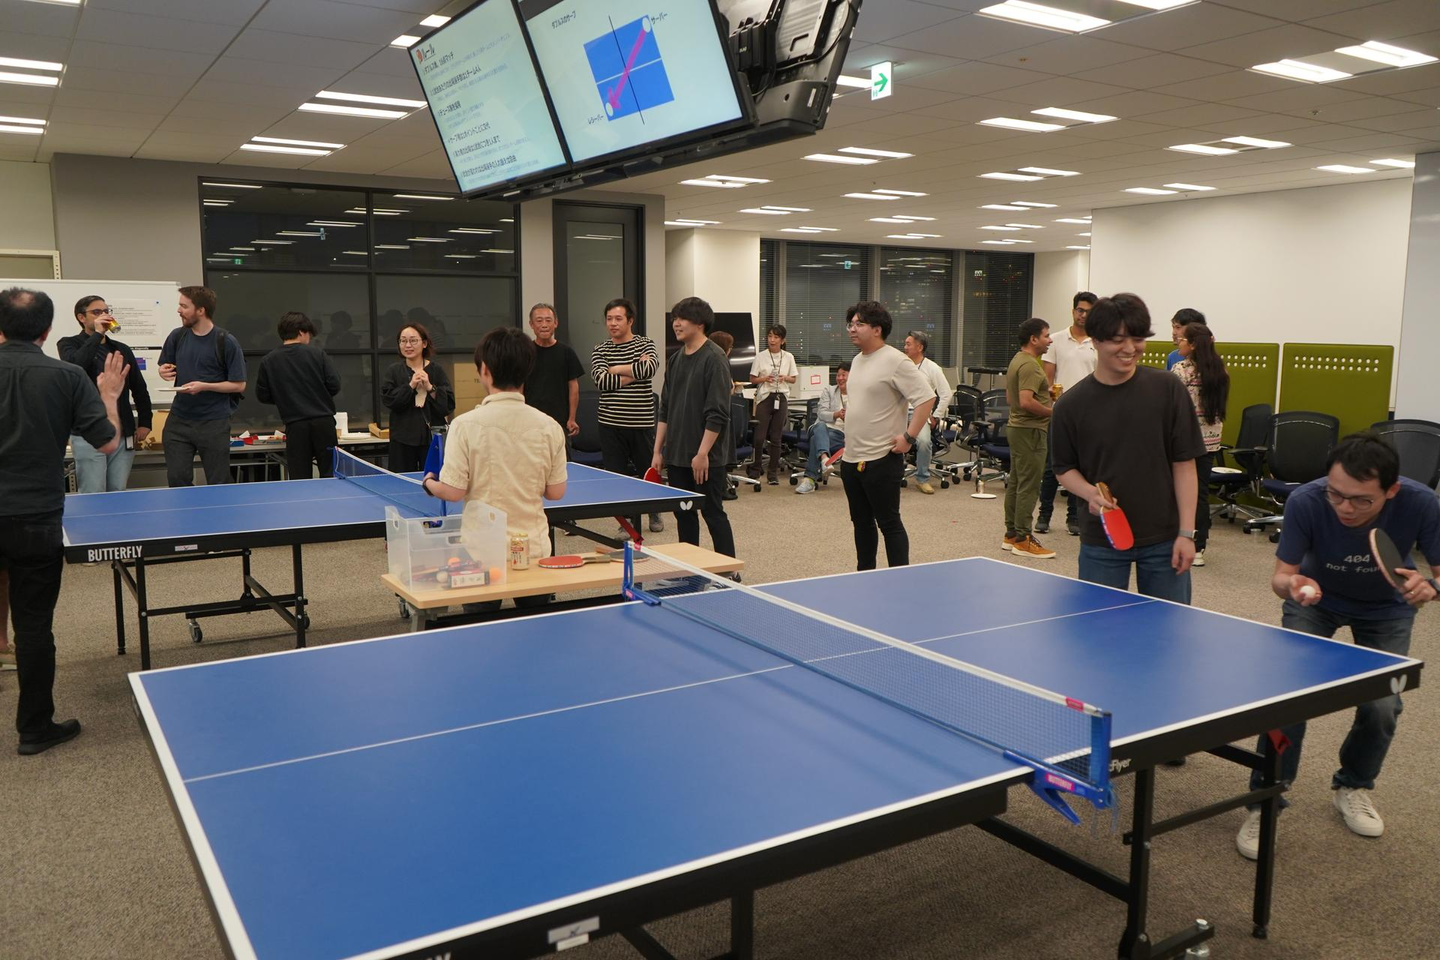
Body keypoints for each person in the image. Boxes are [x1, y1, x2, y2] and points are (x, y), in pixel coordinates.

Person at [1234, 432, 1440, 861]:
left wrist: (1431, 587)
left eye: (1362, 500)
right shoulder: (1307, 501)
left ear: (1391, 490)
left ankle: (1354, 785)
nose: (1345, 508)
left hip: (1386, 609)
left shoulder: (1421, 503)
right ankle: (1266, 798)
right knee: (1287, 699)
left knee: (1383, 706)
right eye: (1337, 495)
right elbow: (1280, 577)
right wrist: (1293, 584)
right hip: (1317, 602)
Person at [1, 287, 128, 755]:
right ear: (48, 329)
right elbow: (108, 442)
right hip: (35, 517)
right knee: (34, 626)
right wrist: (109, 396)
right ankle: (34, 728)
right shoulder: (68, 375)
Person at [1050, 293, 1206, 602]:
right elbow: (1064, 468)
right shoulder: (1070, 405)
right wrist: (1090, 493)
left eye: (1137, 338)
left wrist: (1187, 534)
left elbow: (1184, 465)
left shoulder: (1168, 389)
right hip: (1102, 539)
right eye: (1118, 340)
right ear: (1095, 340)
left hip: (1165, 538)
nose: (1130, 348)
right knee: (1100, 627)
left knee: (1168, 626)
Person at [422, 327, 567, 614]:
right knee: (537, 627)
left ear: (485, 370)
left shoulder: (464, 425)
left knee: (481, 628)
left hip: (481, 553)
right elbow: (556, 492)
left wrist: (428, 483)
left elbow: (453, 491)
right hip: (534, 548)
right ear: (527, 370)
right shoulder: (550, 425)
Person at [840, 301, 936, 570]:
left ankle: (899, 580)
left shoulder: (896, 360)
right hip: (852, 458)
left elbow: (926, 398)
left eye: (859, 324)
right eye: (850, 324)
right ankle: (865, 575)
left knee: (889, 523)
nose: (852, 329)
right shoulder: (857, 360)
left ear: (877, 329)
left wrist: (909, 437)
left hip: (882, 458)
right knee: (861, 523)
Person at [652, 297, 736, 559]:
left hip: (706, 457)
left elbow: (717, 413)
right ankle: (689, 569)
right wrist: (658, 451)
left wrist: (702, 454)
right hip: (677, 454)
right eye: (674, 319)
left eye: (682, 318)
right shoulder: (675, 359)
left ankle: (728, 571)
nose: (676, 324)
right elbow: (665, 408)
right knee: (684, 514)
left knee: (712, 513)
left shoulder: (715, 358)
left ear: (700, 323)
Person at [57, 295, 153, 492]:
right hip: (87, 432)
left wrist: (145, 422)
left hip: (122, 432)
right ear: (81, 317)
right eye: (96, 312)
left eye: (106, 311)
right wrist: (97, 335)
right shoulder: (68, 344)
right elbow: (77, 366)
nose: (104, 316)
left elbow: (139, 387)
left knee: (118, 489)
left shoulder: (121, 349)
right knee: (93, 490)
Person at [158, 286, 246, 487]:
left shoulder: (226, 341)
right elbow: (166, 366)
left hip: (213, 422)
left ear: (201, 310)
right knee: (177, 479)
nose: (179, 310)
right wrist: (163, 371)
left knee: (218, 481)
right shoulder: (177, 336)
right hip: (179, 420)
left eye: (184, 306)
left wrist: (204, 386)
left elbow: (239, 385)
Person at [590, 297, 663, 535]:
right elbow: (601, 381)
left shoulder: (645, 344)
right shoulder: (600, 349)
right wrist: (634, 371)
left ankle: (653, 509)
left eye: (618, 318)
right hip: (610, 423)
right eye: (609, 319)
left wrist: (616, 369)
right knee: (617, 476)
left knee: (647, 471)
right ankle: (627, 521)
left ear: (630, 321)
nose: (613, 323)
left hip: (640, 421)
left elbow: (649, 368)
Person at [254, 312, 342, 479]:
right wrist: (320, 395)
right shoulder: (318, 354)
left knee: (299, 478)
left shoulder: (269, 360)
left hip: (295, 425)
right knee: (331, 474)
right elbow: (334, 385)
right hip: (323, 422)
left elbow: (263, 395)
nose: (309, 338)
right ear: (301, 331)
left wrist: (284, 398)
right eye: (309, 334)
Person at [1038, 291, 1096, 535]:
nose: (1083, 315)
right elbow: (1047, 380)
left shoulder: (1099, 341)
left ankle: (1074, 517)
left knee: (1080, 468)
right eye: (1080, 310)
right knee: (1052, 466)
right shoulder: (1057, 340)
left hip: (1090, 415)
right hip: (1060, 413)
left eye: (1089, 312)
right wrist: (1053, 402)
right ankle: (1044, 515)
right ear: (1073, 311)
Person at [1171, 321, 1228, 568]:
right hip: (1211, 440)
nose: (1177, 341)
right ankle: (1199, 546)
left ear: (1193, 344)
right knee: (1201, 493)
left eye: (1181, 338)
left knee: (1180, 490)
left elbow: (1173, 408)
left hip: (1185, 440)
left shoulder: (1181, 369)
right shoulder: (1220, 370)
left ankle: (1178, 538)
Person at [1003, 318, 1056, 560]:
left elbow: (1010, 398)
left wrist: (1044, 394)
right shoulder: (1031, 366)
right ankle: (1023, 539)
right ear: (1034, 339)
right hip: (1030, 431)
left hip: (1018, 428)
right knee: (1029, 485)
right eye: (1046, 336)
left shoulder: (1017, 360)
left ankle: (1012, 534)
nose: (1050, 340)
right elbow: (1025, 401)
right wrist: (1053, 412)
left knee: (1017, 482)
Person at [381, 322, 454, 473]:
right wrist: (410, 386)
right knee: (402, 481)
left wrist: (430, 387)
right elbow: (389, 401)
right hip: (401, 439)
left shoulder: (436, 370)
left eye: (413, 340)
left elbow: (447, 406)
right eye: (403, 341)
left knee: (433, 479)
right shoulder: (393, 371)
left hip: (431, 438)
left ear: (424, 343)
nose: (408, 345)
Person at [523, 303, 582, 446]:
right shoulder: (524, 352)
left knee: (562, 459)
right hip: (530, 422)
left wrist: (572, 418)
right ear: (531, 324)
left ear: (555, 323)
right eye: (539, 320)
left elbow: (573, 387)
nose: (544, 325)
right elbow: (518, 386)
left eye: (548, 320)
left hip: (560, 422)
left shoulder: (567, 352)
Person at [900, 330, 951, 495]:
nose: (905, 347)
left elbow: (946, 394)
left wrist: (936, 415)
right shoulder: (901, 365)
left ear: (919, 347)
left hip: (920, 413)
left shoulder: (932, 368)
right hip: (899, 412)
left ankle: (922, 479)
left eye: (908, 344)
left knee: (923, 442)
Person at [747, 323, 798, 486]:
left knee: (776, 437)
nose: (772, 340)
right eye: (770, 336)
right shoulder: (760, 356)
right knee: (759, 436)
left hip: (781, 397)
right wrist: (765, 378)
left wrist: (784, 378)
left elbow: (793, 379)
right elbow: (752, 379)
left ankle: (772, 473)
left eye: (776, 337)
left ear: (782, 340)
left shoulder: (788, 357)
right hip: (765, 397)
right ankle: (755, 470)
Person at [795, 361, 849, 495]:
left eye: (844, 375)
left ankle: (811, 477)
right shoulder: (829, 390)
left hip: (839, 434)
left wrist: (849, 418)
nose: (840, 378)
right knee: (820, 426)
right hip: (820, 428)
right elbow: (821, 414)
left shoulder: (858, 395)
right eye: (838, 375)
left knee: (816, 440)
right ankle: (825, 461)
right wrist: (836, 414)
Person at [708, 330, 742, 500]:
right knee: (720, 451)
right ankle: (720, 489)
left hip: (714, 414)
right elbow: (728, 389)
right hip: (721, 415)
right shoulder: (721, 363)